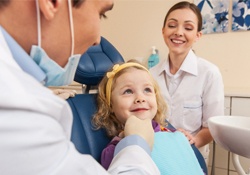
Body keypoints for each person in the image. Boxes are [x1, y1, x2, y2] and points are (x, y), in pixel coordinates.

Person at [0, 0, 160, 174]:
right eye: (101, 14)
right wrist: (136, 143)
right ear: (51, 3)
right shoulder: (12, 106)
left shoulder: (17, 90)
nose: (97, 41)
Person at [92, 61, 205, 174]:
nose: (140, 98)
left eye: (147, 90)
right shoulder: (113, 151)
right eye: (128, 91)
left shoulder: (168, 131)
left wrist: (179, 138)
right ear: (110, 104)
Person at [150, 1, 224, 164]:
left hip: (192, 156)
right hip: (157, 155)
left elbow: (212, 127)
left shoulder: (209, 74)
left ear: (198, 35)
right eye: (172, 25)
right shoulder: (150, 75)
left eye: (188, 28)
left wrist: (190, 142)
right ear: (163, 32)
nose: (178, 32)